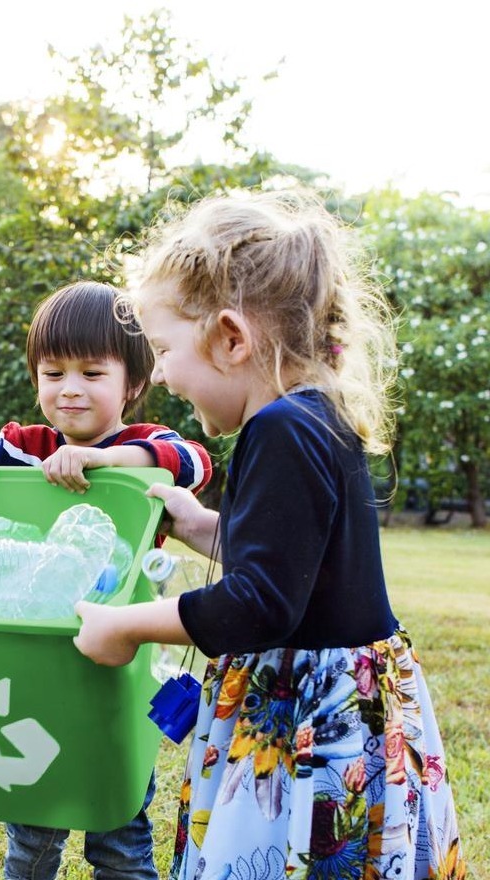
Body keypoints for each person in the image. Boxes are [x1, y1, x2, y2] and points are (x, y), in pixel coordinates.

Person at [74, 189, 466, 879]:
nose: (159, 373)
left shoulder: (279, 429)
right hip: (350, 698)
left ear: (231, 339)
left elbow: (259, 603)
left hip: (309, 717)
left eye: (163, 350)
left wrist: (126, 625)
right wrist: (199, 525)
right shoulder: (316, 414)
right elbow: (295, 564)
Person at [0, 281, 213, 880]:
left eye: (91, 373)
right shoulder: (28, 449)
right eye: (53, 373)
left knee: (119, 829)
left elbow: (190, 461)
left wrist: (103, 459)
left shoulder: (142, 446)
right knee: (32, 819)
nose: (70, 388)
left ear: (132, 383)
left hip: (118, 666)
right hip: (34, 662)